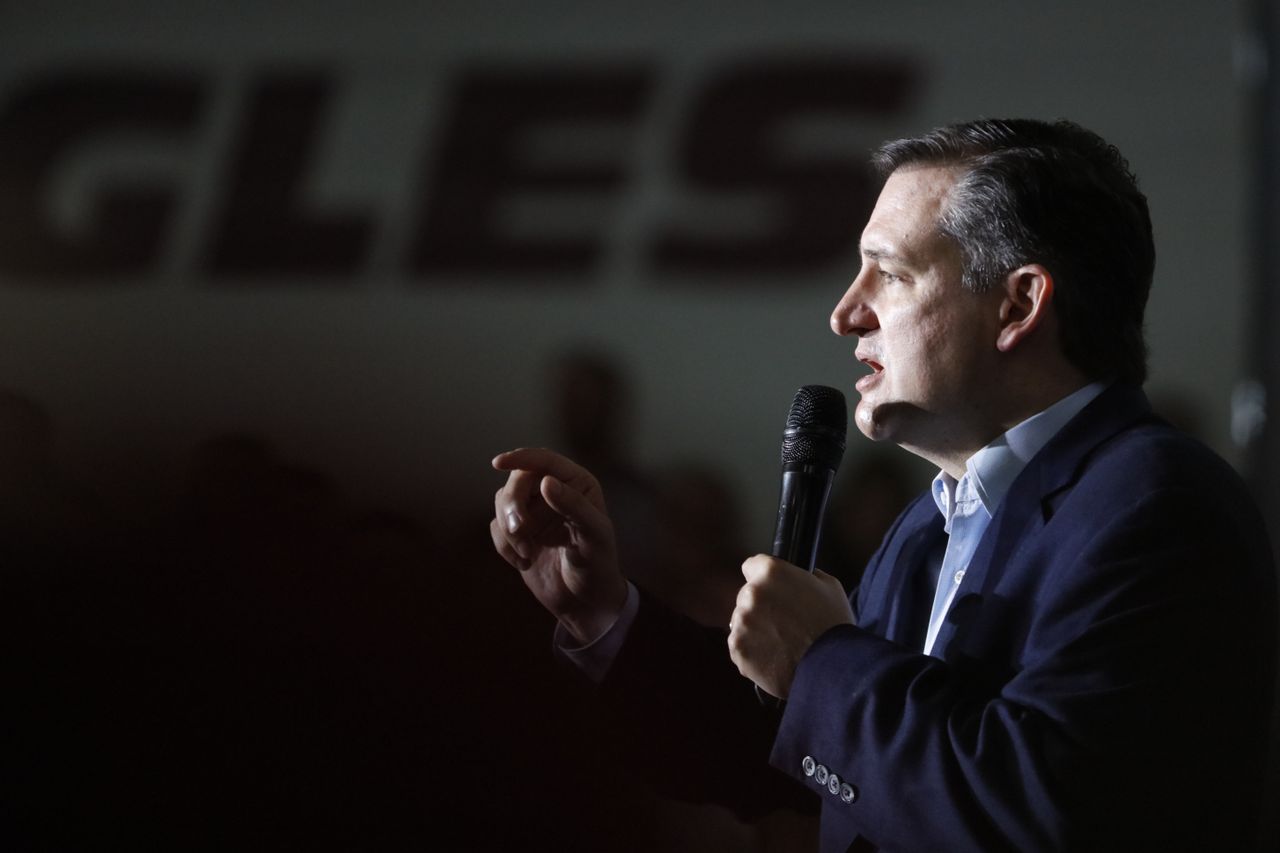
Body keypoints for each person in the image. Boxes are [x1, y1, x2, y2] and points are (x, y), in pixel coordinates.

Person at [488, 119, 1277, 852]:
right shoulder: (931, 523)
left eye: (889, 274)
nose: (845, 313)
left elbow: (1040, 809)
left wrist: (824, 656)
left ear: (1018, 304)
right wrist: (602, 610)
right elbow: (799, 750)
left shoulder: (1159, 506)